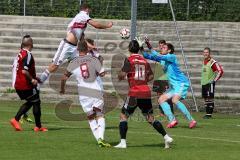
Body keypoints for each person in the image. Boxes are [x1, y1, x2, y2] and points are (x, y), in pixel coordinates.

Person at [114, 40, 173, 149]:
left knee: (123, 116)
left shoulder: (129, 60)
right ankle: (166, 136)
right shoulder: (144, 60)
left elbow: (121, 75)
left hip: (134, 93)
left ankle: (123, 142)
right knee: (150, 117)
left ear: (129, 49)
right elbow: (150, 76)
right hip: (145, 92)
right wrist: (142, 80)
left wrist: (121, 74)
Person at [39, 3, 113, 84]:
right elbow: (96, 25)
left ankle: (89, 85)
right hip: (67, 45)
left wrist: (90, 46)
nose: (89, 12)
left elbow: (81, 39)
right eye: (89, 10)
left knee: (84, 63)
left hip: (74, 49)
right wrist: (107, 26)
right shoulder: (82, 15)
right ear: (87, 9)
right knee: (53, 67)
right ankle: (38, 84)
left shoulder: (81, 23)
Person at [60, 40, 110, 147]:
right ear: (87, 49)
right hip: (95, 90)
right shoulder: (93, 59)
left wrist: (62, 89)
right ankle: (101, 137)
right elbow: (103, 74)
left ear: (78, 49)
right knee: (100, 114)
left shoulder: (73, 62)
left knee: (91, 117)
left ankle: (99, 140)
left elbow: (64, 77)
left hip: (83, 93)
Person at [142, 42, 197, 129]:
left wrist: (150, 47)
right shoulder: (163, 59)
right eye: (162, 47)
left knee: (175, 100)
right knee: (161, 99)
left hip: (181, 83)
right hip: (174, 86)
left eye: (164, 47)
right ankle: (172, 120)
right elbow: (148, 56)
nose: (162, 48)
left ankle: (191, 120)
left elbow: (158, 56)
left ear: (169, 50)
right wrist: (142, 48)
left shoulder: (172, 56)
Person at [10, 35, 47, 132]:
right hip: (25, 85)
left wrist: (35, 78)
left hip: (18, 84)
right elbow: (24, 71)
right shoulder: (28, 54)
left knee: (32, 102)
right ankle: (36, 126)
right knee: (36, 102)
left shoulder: (20, 54)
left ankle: (18, 120)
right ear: (30, 44)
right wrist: (32, 80)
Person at [146, 38, 174, 116]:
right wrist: (147, 43)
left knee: (167, 96)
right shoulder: (158, 55)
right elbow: (151, 50)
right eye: (160, 45)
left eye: (163, 46)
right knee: (159, 95)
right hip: (157, 78)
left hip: (165, 79)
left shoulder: (167, 57)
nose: (161, 47)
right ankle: (162, 112)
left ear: (165, 46)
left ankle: (170, 112)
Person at [201, 47, 223, 119]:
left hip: (210, 84)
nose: (205, 54)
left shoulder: (212, 62)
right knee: (205, 98)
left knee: (210, 98)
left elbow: (220, 71)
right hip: (203, 83)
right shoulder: (204, 61)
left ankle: (209, 114)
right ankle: (207, 114)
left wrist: (214, 80)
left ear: (209, 53)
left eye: (207, 52)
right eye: (204, 52)